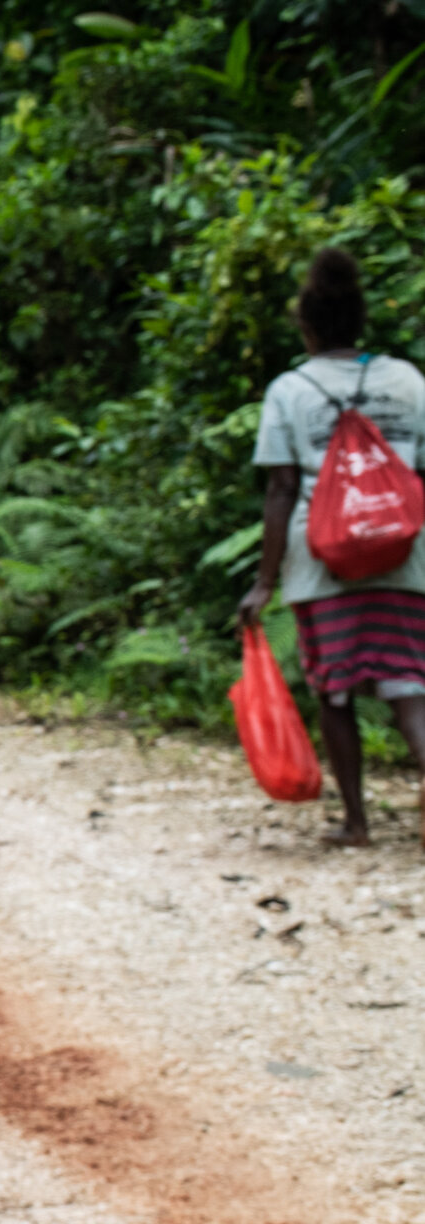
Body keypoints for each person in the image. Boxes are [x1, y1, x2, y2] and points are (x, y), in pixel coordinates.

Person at [239, 246, 425, 847]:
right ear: (362, 318)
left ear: (308, 324)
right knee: (409, 688)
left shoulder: (290, 389)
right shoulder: (407, 380)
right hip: (404, 552)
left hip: (320, 563)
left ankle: (357, 822)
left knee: (336, 691)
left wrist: (265, 582)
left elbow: (282, 488)